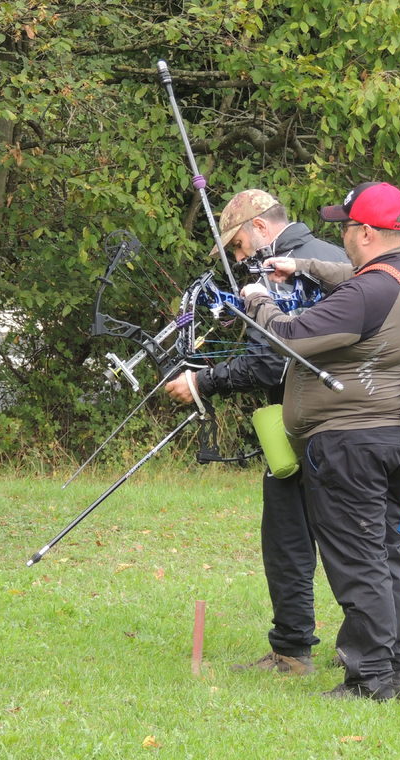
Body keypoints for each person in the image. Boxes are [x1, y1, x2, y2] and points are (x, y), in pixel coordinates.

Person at [241, 181, 400, 700]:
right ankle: (395, 668)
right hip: (394, 437)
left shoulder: (366, 294)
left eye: (346, 226)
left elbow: (290, 336)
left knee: (357, 562)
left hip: (351, 446)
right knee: (384, 554)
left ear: (366, 232)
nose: (343, 235)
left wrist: (258, 299)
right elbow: (358, 279)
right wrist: (301, 267)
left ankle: (370, 679)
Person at [165, 189, 347, 676]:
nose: (240, 258)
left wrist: (202, 380)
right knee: (354, 540)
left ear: (261, 228)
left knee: (288, 536)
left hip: (306, 422)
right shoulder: (339, 258)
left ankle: (291, 651)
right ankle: (364, 647)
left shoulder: (279, 270)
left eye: (239, 246)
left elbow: (269, 362)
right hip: (351, 422)